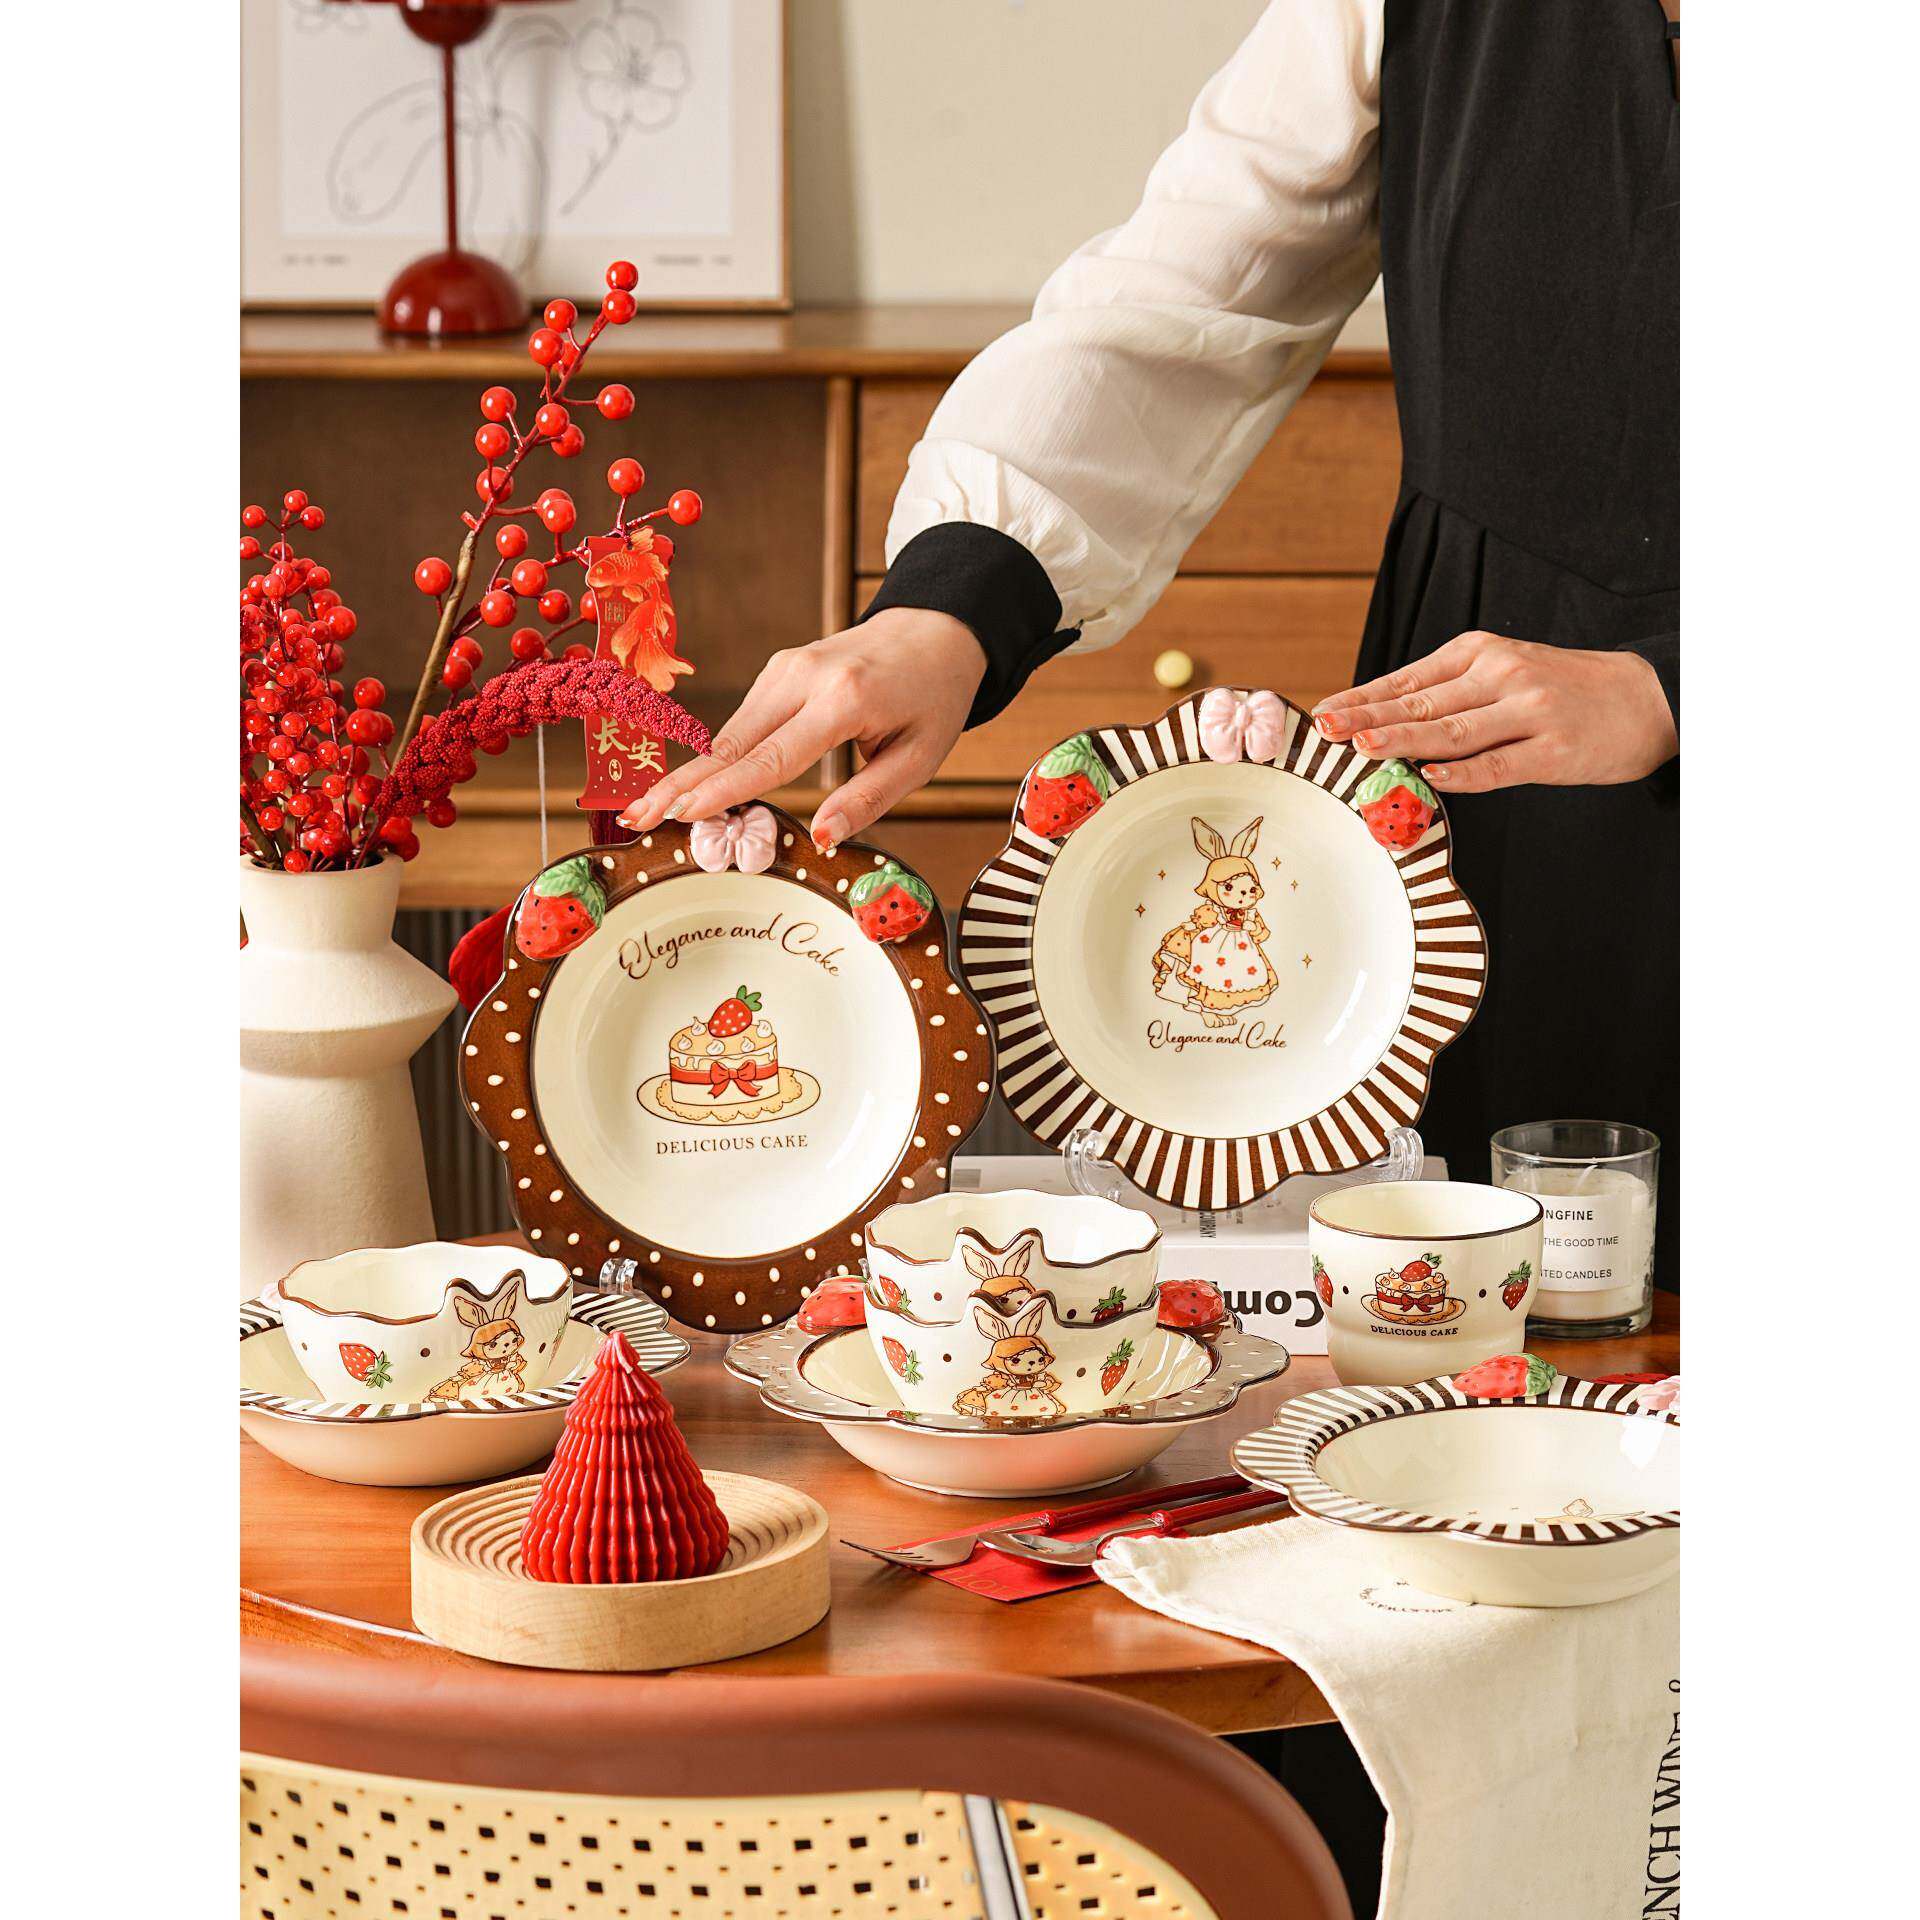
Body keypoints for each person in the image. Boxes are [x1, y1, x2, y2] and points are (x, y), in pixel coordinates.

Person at [624, 0, 1679, 1285]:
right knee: (1500, 1318)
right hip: (1493, 752)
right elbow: (1190, 287)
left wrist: (1679, 686)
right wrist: (952, 601)